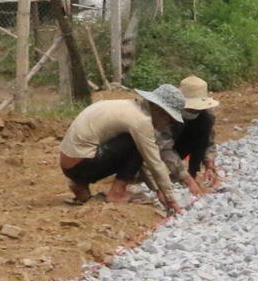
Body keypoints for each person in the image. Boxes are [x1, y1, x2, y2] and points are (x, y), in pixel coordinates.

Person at [58, 85, 186, 214]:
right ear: (160, 111)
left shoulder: (128, 106)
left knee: (134, 143)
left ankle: (80, 184)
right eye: (169, 119)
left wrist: (158, 189)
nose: (168, 123)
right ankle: (117, 193)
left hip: (70, 162)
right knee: (135, 144)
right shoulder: (142, 121)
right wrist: (171, 199)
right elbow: (154, 162)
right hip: (81, 165)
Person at [164, 75, 222, 194]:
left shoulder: (206, 116)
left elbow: (207, 141)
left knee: (202, 128)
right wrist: (187, 180)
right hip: (160, 145)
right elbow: (163, 147)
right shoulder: (165, 113)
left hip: (183, 143)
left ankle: (191, 172)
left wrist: (209, 166)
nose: (193, 111)